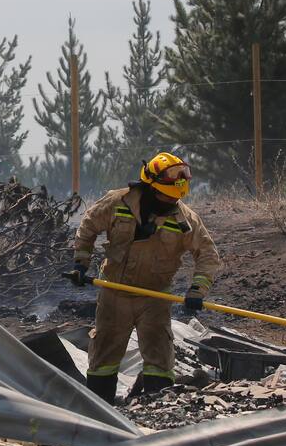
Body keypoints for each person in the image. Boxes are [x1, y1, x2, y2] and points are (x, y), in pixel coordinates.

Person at [70, 152, 221, 404]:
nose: (169, 202)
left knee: (159, 360)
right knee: (104, 358)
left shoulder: (185, 219)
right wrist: (80, 263)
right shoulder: (117, 202)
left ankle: (156, 412)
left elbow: (207, 255)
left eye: (174, 197)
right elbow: (88, 227)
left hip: (155, 298)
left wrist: (197, 290)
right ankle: (100, 410)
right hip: (114, 293)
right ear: (150, 187)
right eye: (164, 196)